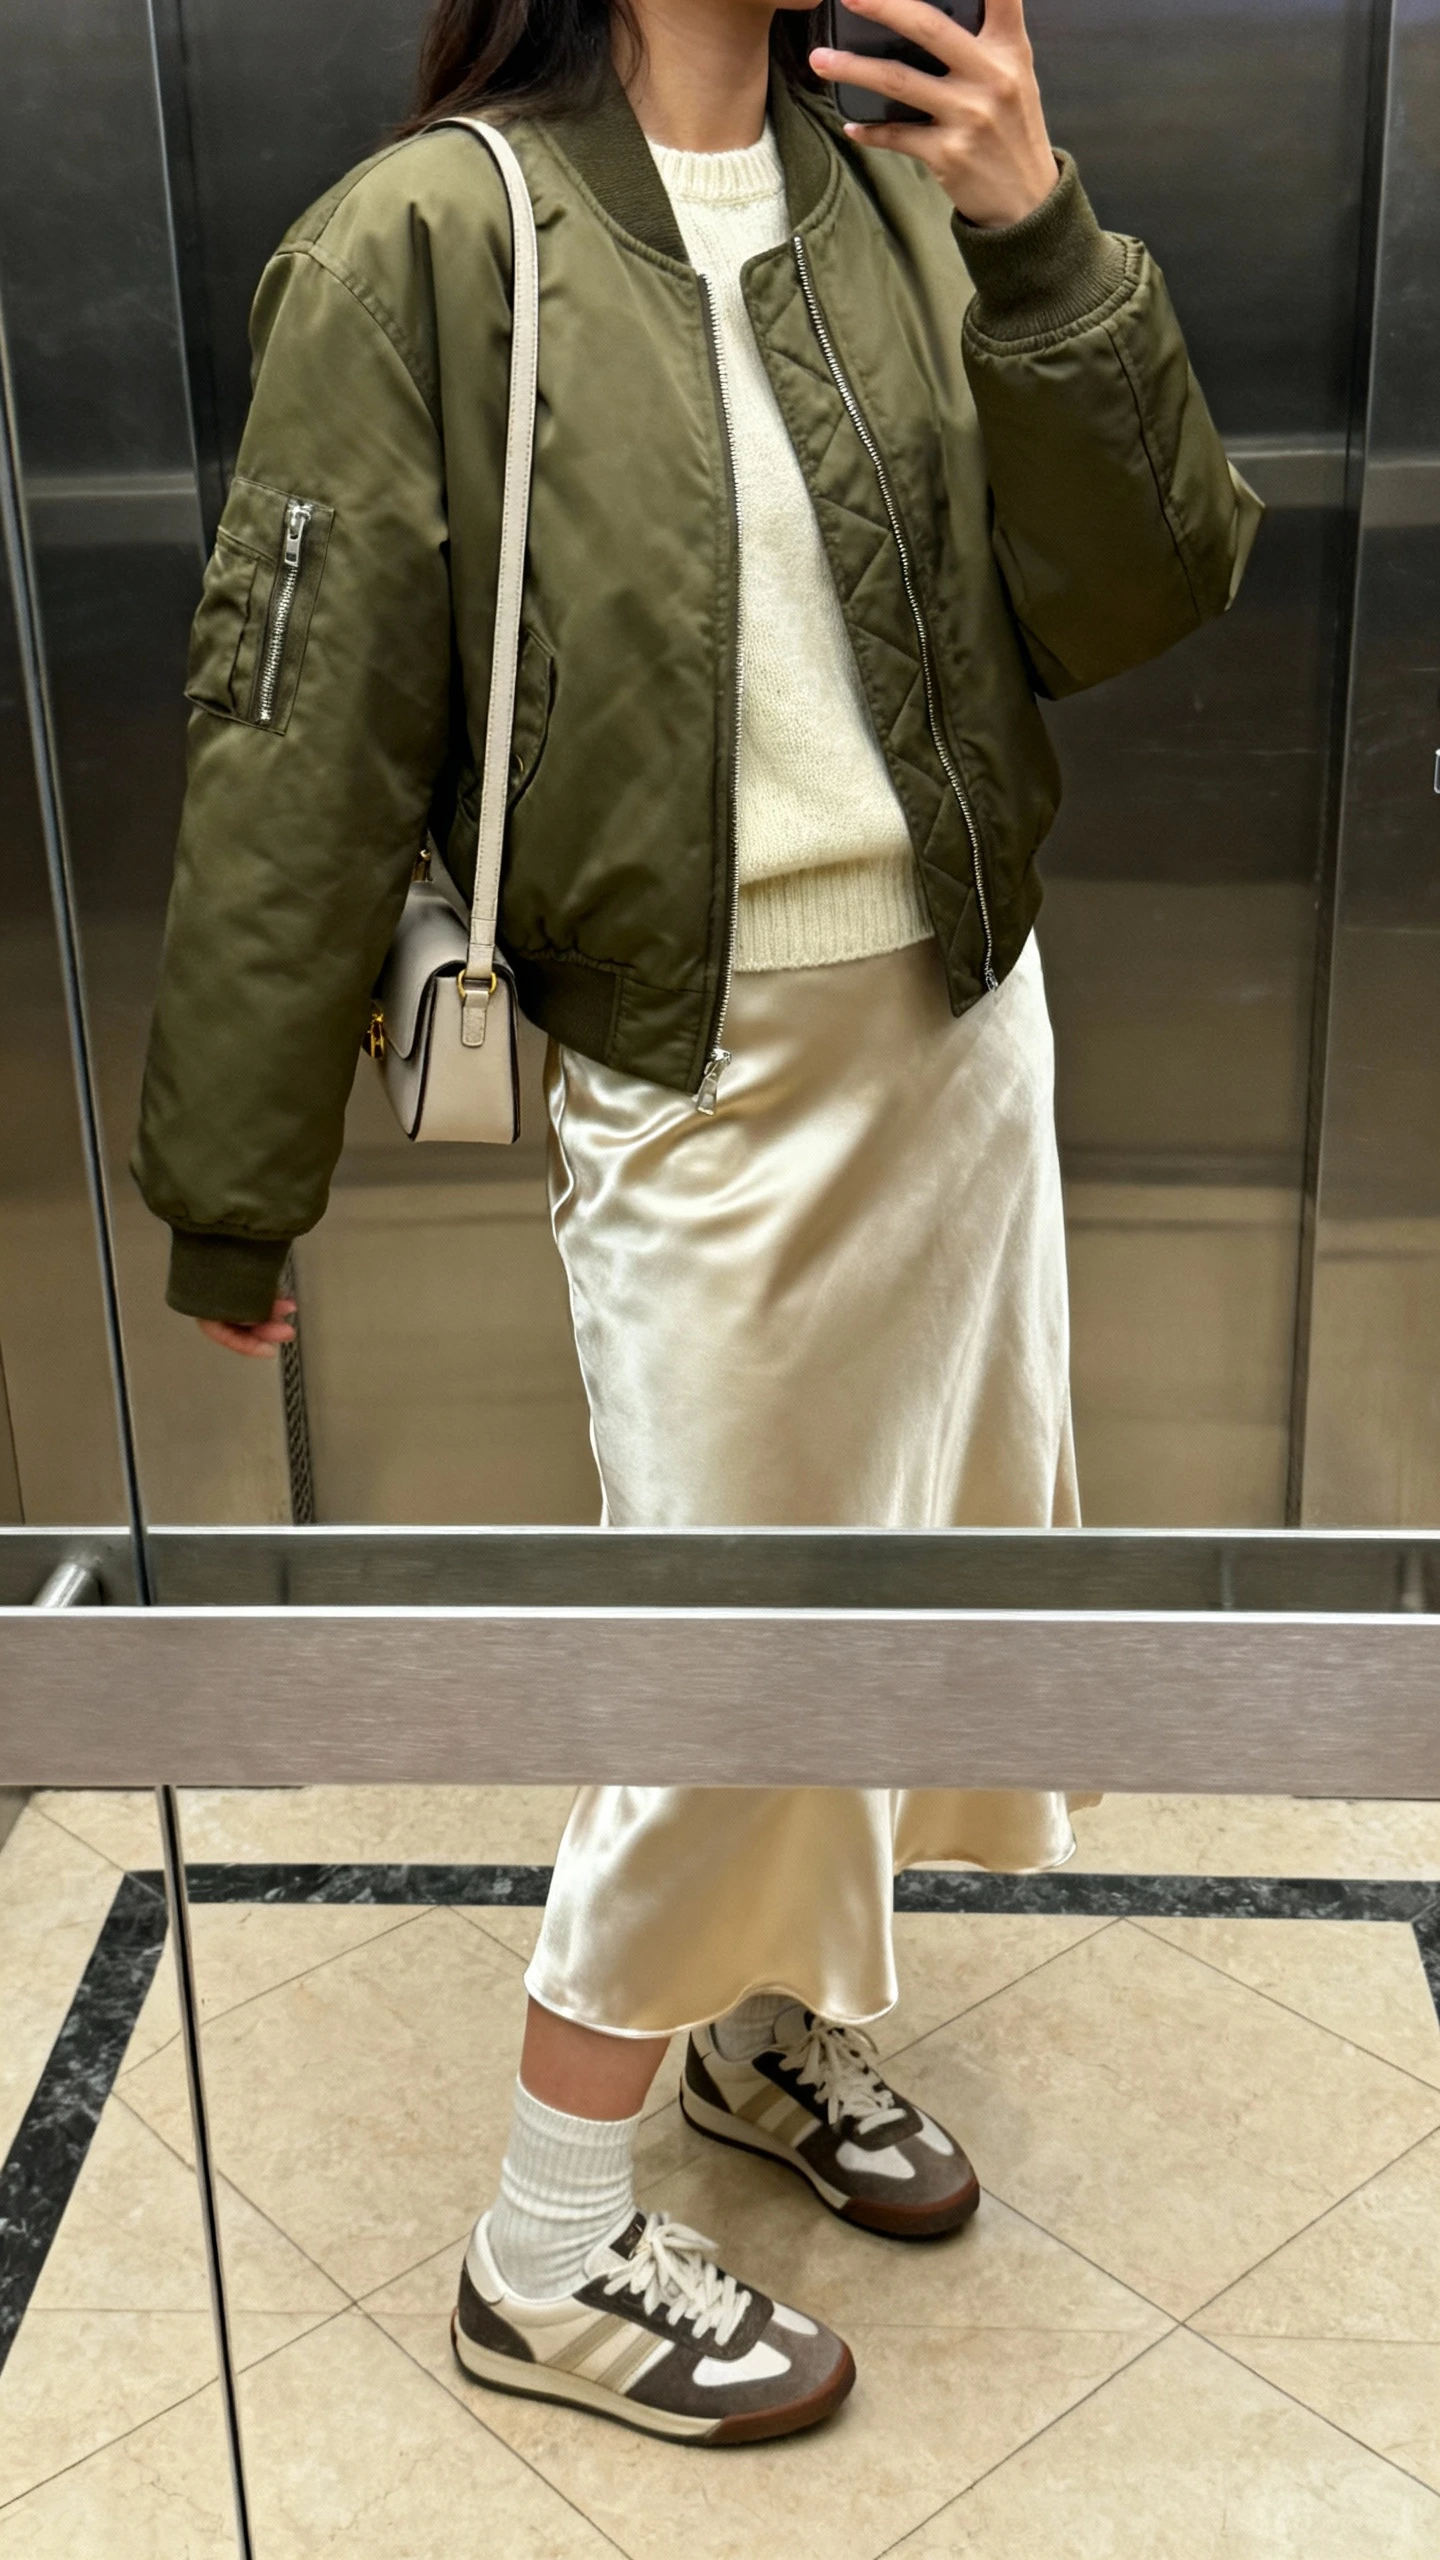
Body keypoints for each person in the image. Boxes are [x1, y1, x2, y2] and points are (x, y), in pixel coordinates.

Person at [134, 0, 1260, 2447]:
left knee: (904, 1584)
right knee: (716, 1658)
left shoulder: (895, 195)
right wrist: (233, 1183)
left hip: (966, 1025)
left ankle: (761, 2024)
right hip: (703, 1068)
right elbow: (301, 714)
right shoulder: (434, 238)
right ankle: (541, 2249)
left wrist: (1041, 231)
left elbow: (1151, 582)